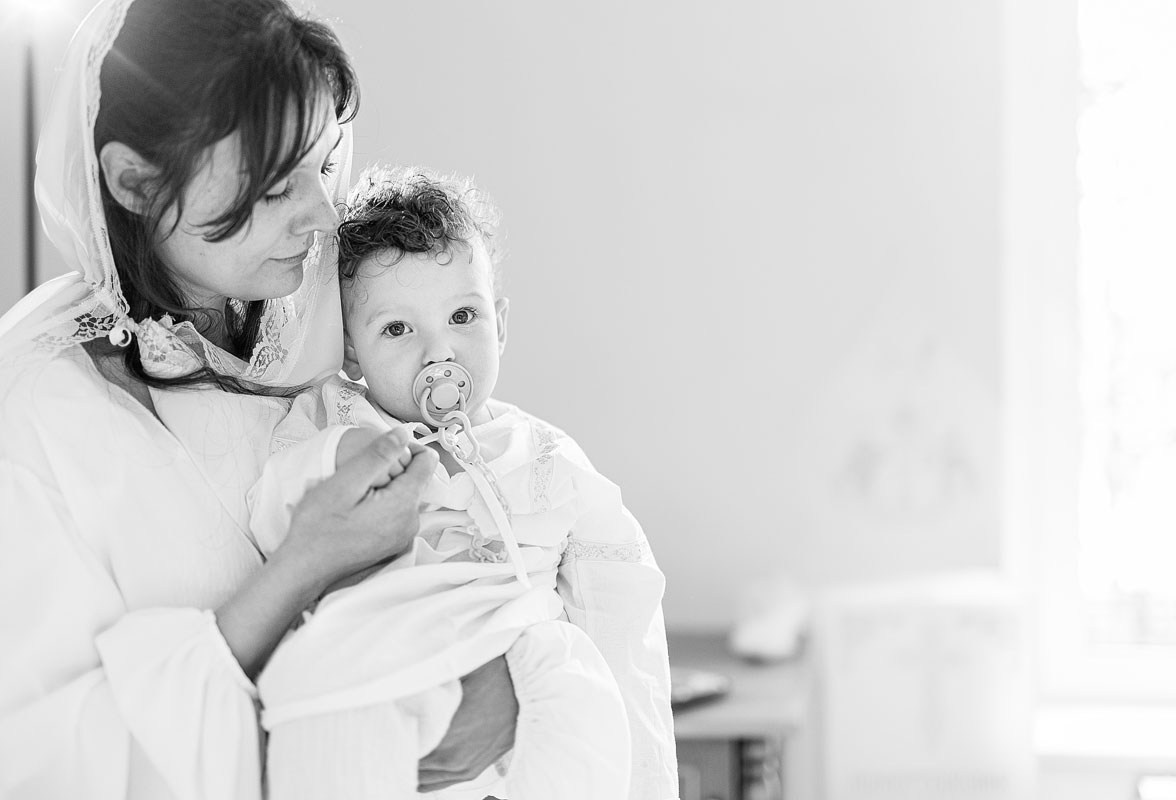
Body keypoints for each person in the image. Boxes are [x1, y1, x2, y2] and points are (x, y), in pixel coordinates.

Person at [0, 1, 518, 798]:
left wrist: (506, 669)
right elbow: (52, 760)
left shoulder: (331, 308)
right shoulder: (35, 412)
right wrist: (309, 562)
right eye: (274, 188)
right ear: (135, 180)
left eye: (323, 162)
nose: (321, 214)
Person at [246, 165, 679, 800]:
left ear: (500, 324)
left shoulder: (545, 457)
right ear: (351, 352)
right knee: (318, 707)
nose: (438, 352)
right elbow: (272, 511)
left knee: (583, 694)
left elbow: (619, 596)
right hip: (381, 658)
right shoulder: (332, 423)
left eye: (462, 316)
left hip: (518, 655)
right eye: (397, 329)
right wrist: (340, 455)